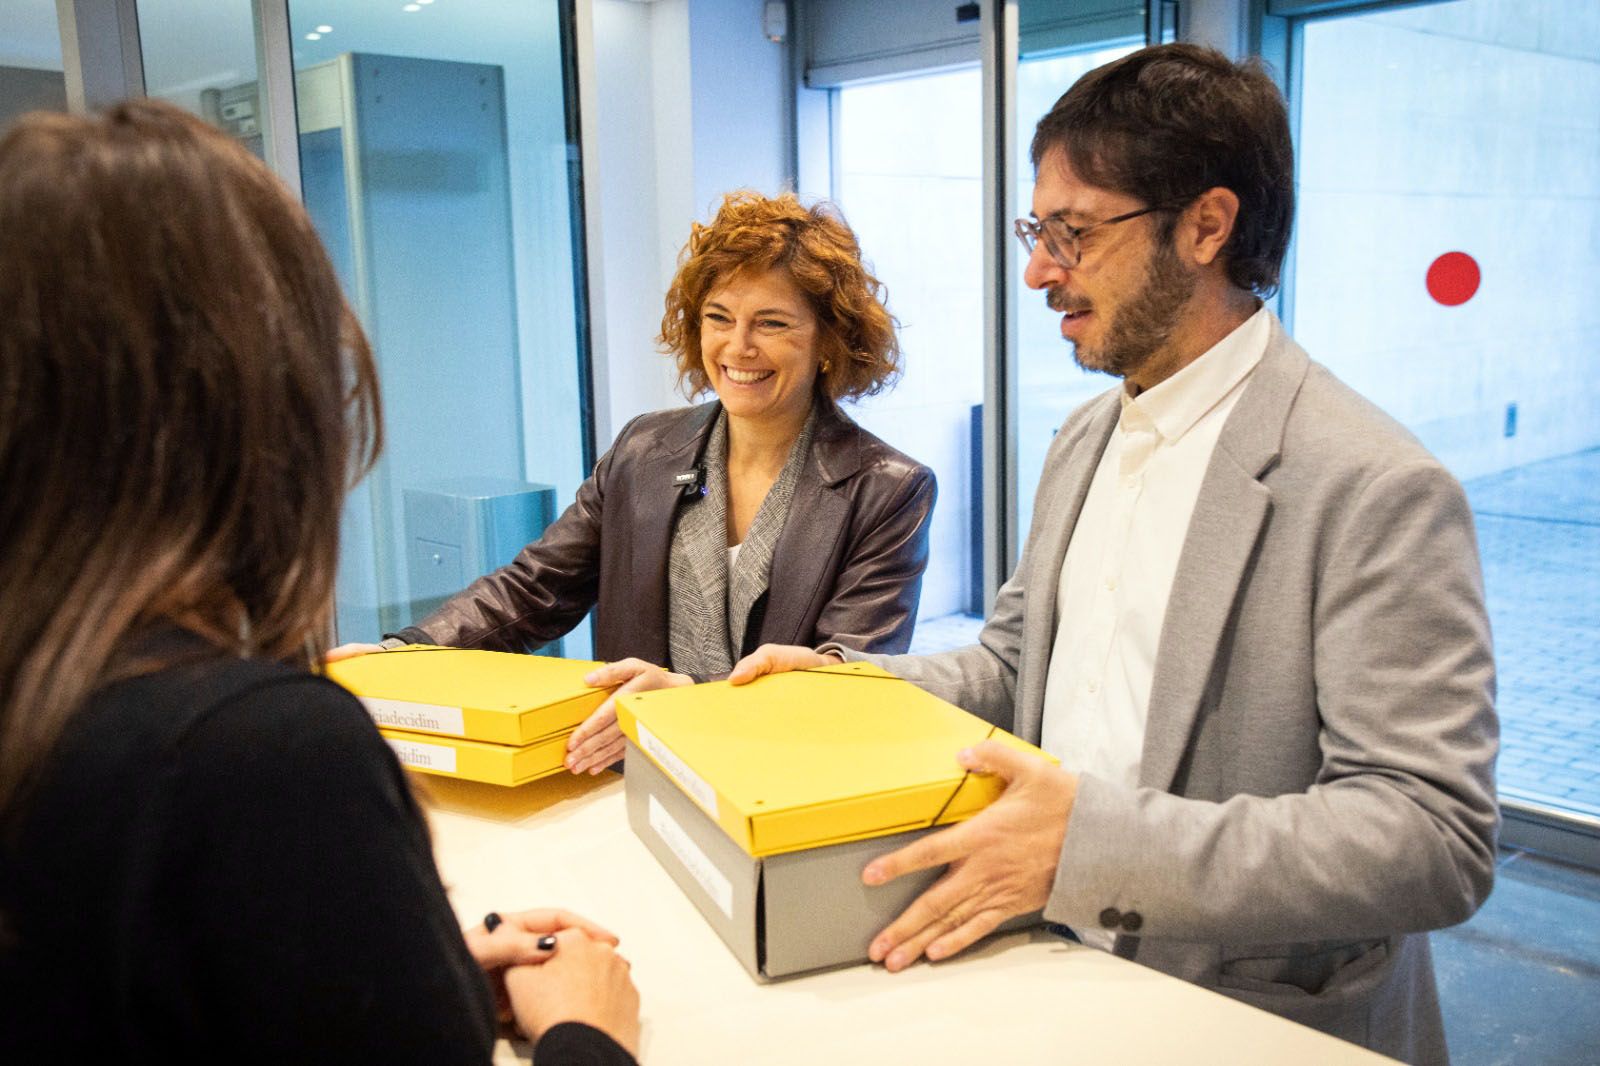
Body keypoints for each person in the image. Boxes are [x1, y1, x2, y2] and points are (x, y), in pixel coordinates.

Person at [731, 44, 1497, 1065]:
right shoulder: (1084, 437)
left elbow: (1430, 834)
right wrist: (843, 687)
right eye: (1034, 230)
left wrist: (1087, 847)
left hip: (1250, 1019)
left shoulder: (1373, 484)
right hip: (1052, 978)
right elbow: (1012, 668)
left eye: (1072, 233)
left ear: (1205, 226)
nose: (1037, 269)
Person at [0, 101, 639, 1064]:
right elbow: (535, 582)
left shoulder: (48, 682)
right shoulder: (258, 752)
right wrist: (588, 1034)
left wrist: (406, 977)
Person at [336, 191, 936, 775]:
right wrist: (408, 656)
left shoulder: (888, 489)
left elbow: (848, 681)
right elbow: (535, 587)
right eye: (718, 318)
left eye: (771, 323)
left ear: (830, 340)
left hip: (782, 787)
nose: (737, 346)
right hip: (634, 778)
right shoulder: (644, 450)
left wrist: (689, 701)